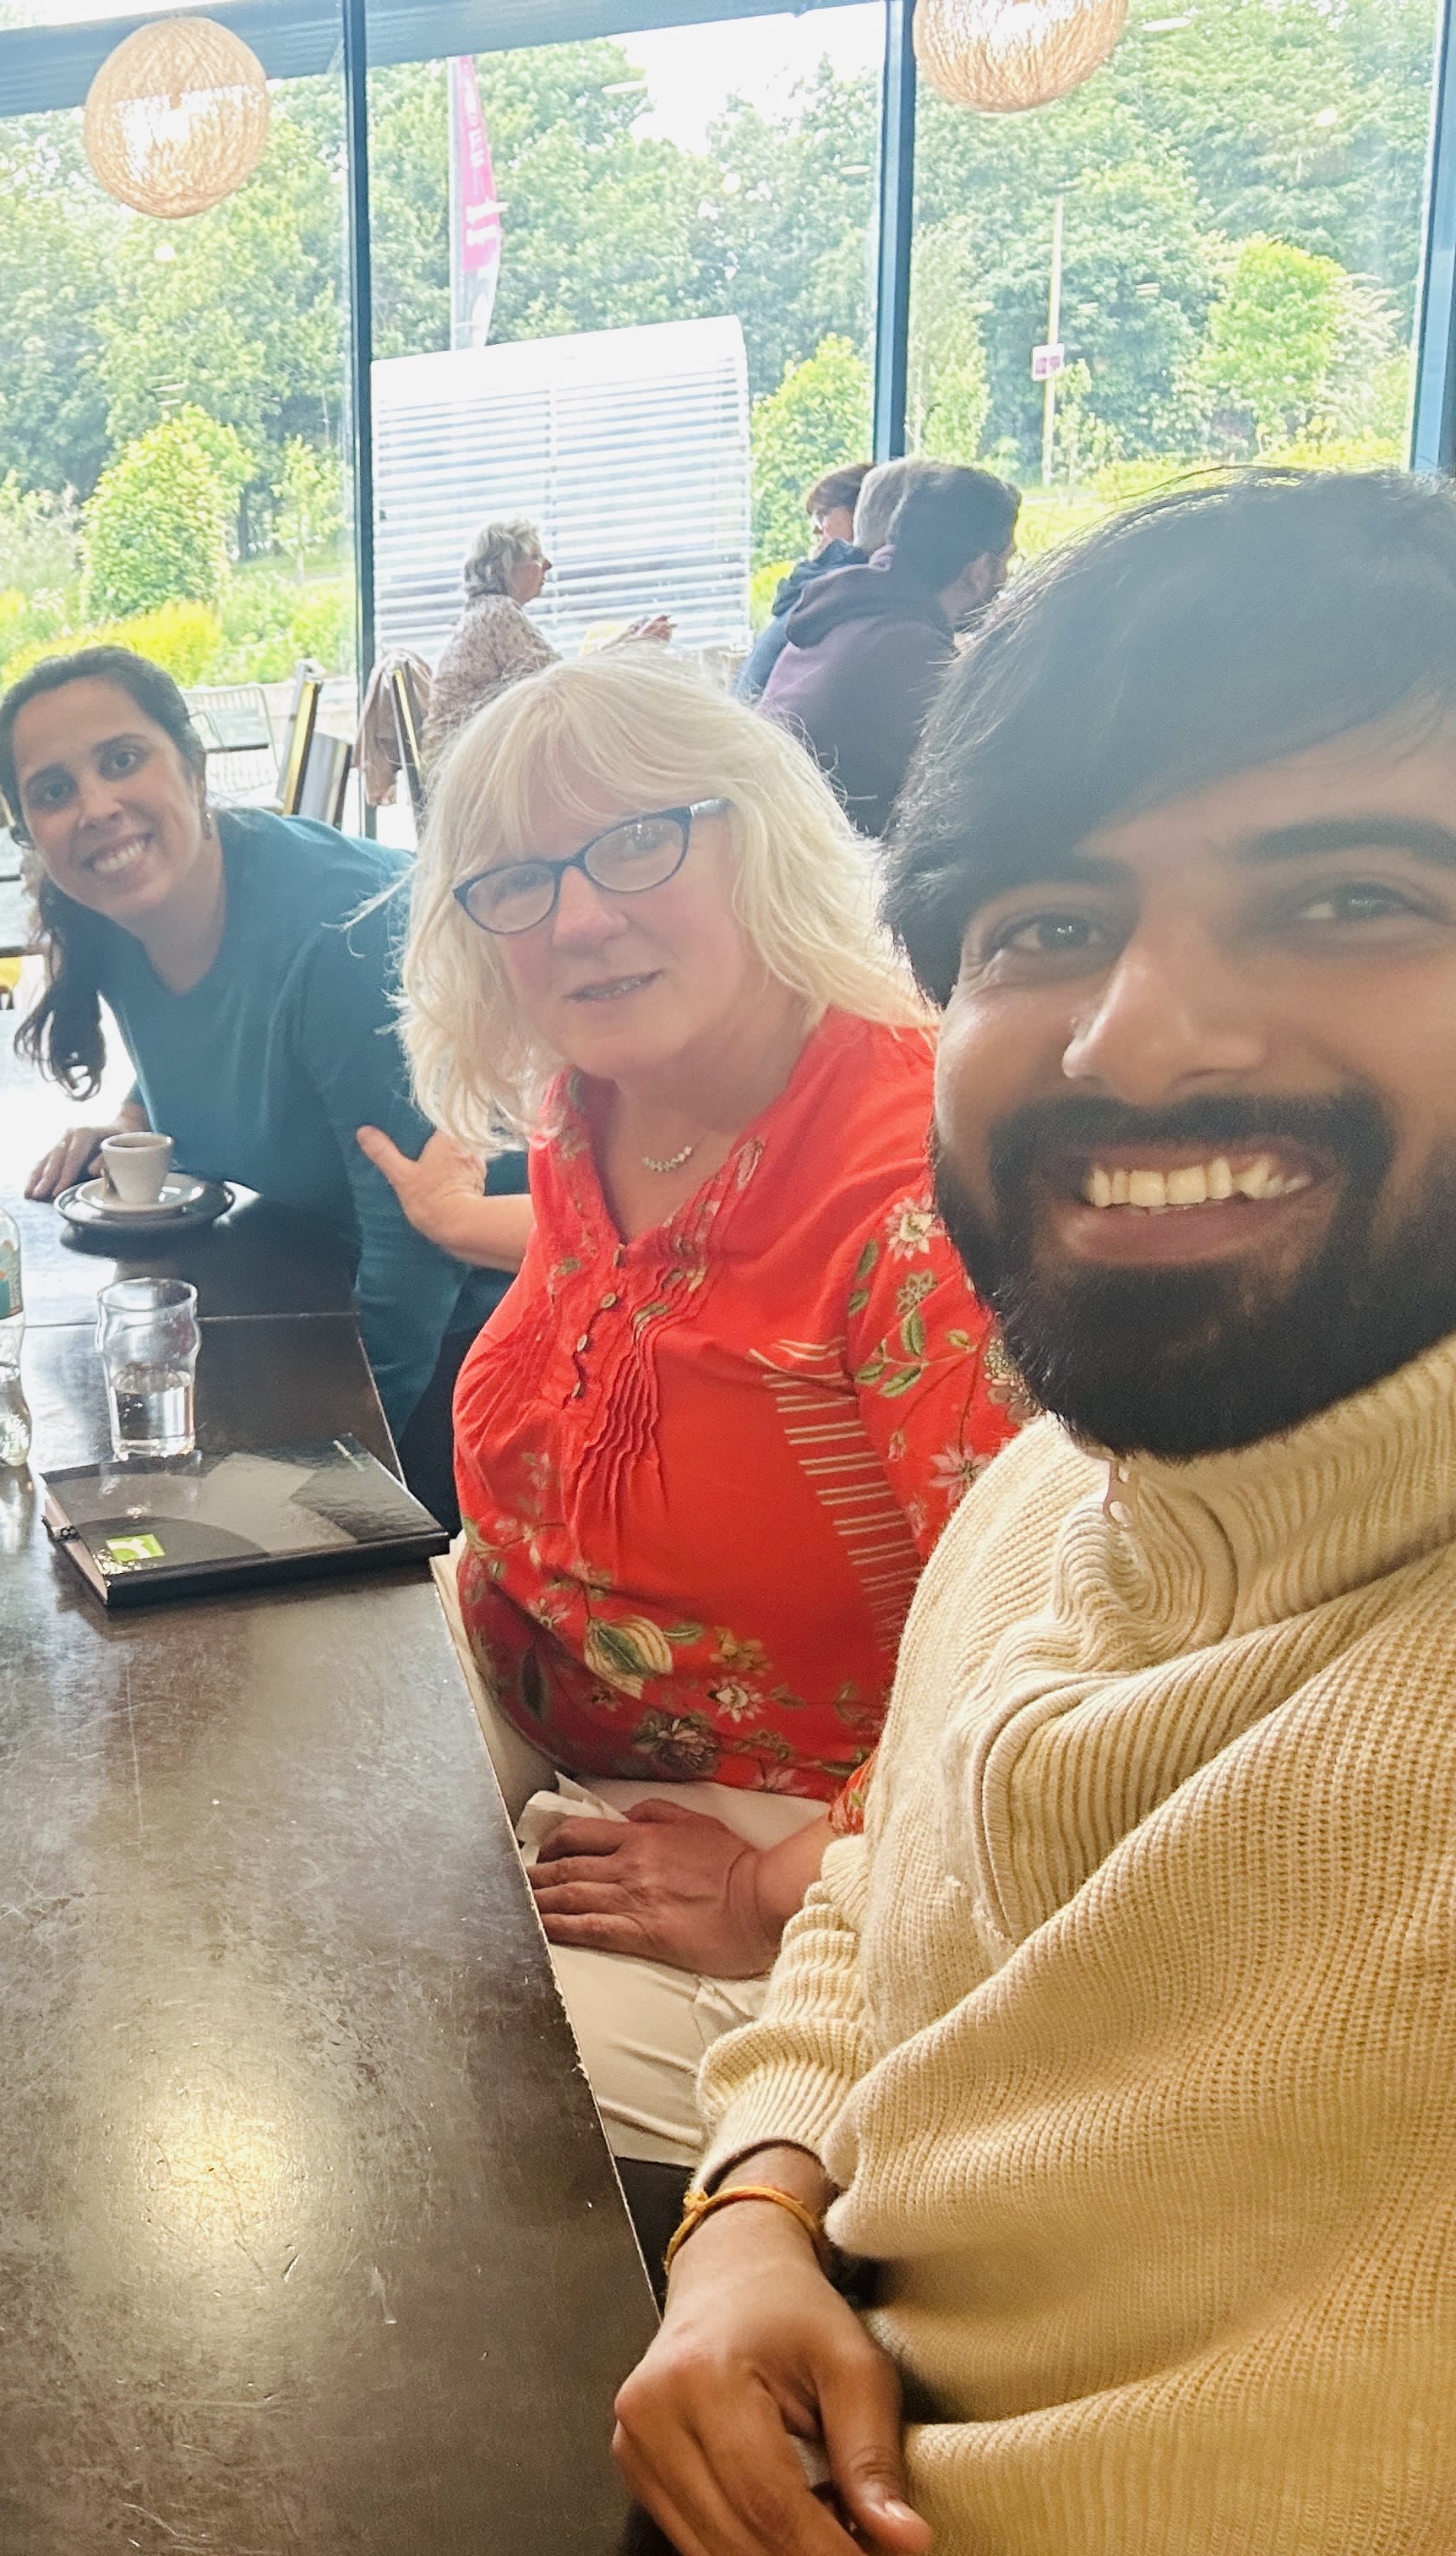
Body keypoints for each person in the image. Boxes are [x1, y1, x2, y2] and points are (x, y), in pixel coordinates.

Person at [615, 469, 1456, 2555]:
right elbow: (874, 1909)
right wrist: (755, 2210)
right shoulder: (1054, 1489)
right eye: (1048, 928)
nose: (1138, 1038)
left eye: (1348, 898)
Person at [379, 653, 1028, 2176]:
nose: (579, 914)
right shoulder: (597, 1097)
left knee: (438, 2076)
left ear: (763, 836)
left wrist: (764, 1894)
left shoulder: (914, 1198)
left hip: (815, 1838)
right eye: (518, 880)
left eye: (636, 841)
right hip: (539, 1700)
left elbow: (1026, 1675)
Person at [6, 646, 499, 1520]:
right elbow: (213, 1036)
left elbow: (421, 1254)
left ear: (193, 770)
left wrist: (324, 1468)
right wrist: (132, 1120)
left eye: (122, 760)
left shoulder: (340, 932)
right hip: (310, 1291)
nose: (95, 807)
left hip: (480, 1337)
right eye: (53, 791)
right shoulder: (124, 917)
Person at [758, 458, 1019, 835]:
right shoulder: (913, 655)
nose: (1007, 578)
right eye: (1007, 562)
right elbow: (985, 786)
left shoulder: (849, 609)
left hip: (778, 846)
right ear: (979, 570)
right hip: (827, 869)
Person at [430, 518, 673, 744]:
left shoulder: (487, 611)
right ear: (505, 568)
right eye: (535, 556)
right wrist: (629, 646)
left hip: (470, 747)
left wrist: (625, 641)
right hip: (469, 755)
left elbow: (557, 676)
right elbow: (559, 685)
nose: (547, 564)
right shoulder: (498, 613)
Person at [733, 461, 872, 704]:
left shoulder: (830, 591)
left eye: (823, 515)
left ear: (860, 512)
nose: (815, 531)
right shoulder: (833, 590)